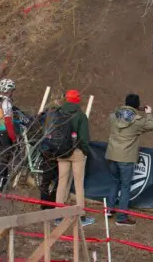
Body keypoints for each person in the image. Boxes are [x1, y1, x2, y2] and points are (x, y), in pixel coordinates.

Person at [106, 94, 153, 226]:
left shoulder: (113, 116)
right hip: (126, 157)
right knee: (125, 187)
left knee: (114, 181)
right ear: (136, 105)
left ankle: (109, 209)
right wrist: (148, 113)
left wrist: (129, 109)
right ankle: (121, 217)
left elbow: (117, 113)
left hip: (112, 155)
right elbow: (150, 125)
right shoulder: (137, 121)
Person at [54, 89, 95, 227]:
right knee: (78, 184)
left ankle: (58, 216)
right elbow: (84, 137)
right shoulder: (81, 115)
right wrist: (85, 151)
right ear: (77, 100)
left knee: (61, 183)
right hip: (76, 152)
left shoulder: (58, 112)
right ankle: (81, 217)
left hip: (61, 151)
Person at [0, 78, 17, 192]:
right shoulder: (6, 103)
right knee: (5, 159)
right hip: (4, 131)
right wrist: (13, 137)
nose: (13, 92)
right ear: (9, 90)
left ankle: (2, 184)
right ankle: (1, 186)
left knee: (2, 157)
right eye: (12, 90)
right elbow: (8, 121)